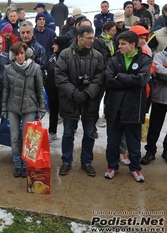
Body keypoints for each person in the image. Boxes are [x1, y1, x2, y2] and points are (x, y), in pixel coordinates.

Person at [54, 25, 105, 177]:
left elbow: (100, 77)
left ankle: (87, 161)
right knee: (68, 133)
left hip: (90, 101)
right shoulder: (65, 54)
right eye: (89, 38)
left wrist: (88, 93)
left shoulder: (97, 56)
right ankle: (67, 161)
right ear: (79, 38)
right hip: (70, 100)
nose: (92, 40)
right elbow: (60, 77)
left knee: (89, 133)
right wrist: (75, 93)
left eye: (92, 37)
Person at [104, 31, 151, 182]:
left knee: (133, 142)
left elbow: (141, 81)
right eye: (119, 43)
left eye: (123, 44)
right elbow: (109, 79)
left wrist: (121, 77)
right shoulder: (115, 59)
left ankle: (135, 169)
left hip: (134, 107)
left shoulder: (145, 60)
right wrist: (129, 81)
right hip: (115, 106)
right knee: (113, 141)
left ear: (133, 44)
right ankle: (112, 166)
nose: (120, 46)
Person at [2, 41, 46, 178]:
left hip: (30, 107)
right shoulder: (8, 69)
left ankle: (27, 163)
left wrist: (42, 108)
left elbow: (39, 89)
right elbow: (6, 90)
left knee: (28, 138)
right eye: (17, 54)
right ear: (13, 56)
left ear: (26, 54)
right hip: (13, 107)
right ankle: (17, 163)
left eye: (21, 53)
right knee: (15, 137)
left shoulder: (36, 68)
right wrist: (4, 108)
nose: (19, 56)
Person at [140, 47, 167, 165]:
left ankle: (166, 151)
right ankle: (150, 151)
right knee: (154, 127)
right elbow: (158, 72)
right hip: (159, 98)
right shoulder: (160, 56)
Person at [44, 35, 70, 143]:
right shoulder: (52, 57)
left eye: (56, 44)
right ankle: (52, 132)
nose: (53, 46)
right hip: (52, 92)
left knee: (66, 115)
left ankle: (68, 134)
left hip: (65, 93)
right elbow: (46, 70)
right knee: (53, 113)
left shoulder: (68, 59)